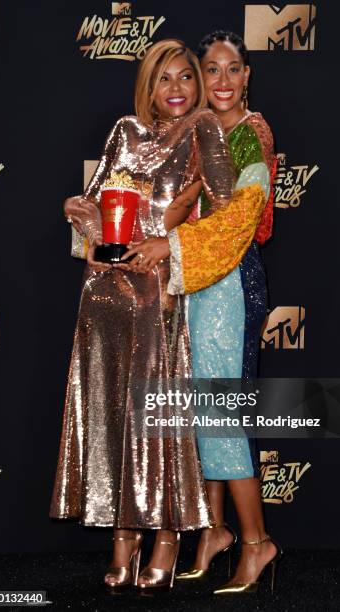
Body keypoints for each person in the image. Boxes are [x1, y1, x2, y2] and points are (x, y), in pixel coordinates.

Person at [49, 39, 236, 593]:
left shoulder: (206, 130)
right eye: (164, 79)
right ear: (148, 87)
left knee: (154, 414)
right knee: (109, 413)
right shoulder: (124, 131)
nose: (176, 89)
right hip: (105, 290)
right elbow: (94, 197)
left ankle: (167, 536)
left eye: (184, 77)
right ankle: (122, 536)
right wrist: (78, 212)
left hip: (157, 291)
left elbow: (225, 221)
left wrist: (170, 243)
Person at [123, 31, 281, 596]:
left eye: (230, 69)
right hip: (201, 280)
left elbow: (241, 218)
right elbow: (184, 201)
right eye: (208, 69)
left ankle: (258, 542)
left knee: (219, 414)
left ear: (246, 77)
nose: (218, 81)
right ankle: (214, 532)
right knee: (199, 410)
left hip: (233, 280)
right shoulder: (205, 132)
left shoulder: (248, 133)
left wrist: (172, 247)